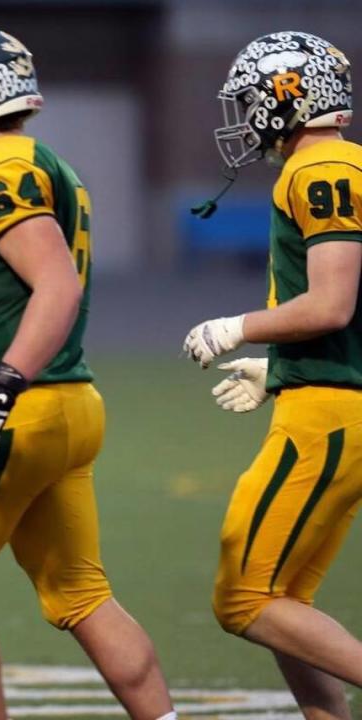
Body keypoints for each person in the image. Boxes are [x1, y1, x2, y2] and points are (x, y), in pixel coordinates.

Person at [0, 27, 176, 720]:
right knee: (83, 594)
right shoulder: (46, 160)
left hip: (17, 406)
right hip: (71, 401)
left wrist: (2, 383)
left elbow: (56, 285)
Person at [183, 31, 362, 719]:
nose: (248, 112)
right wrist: (279, 365)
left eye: (256, 96)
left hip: (329, 418)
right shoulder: (332, 166)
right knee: (282, 599)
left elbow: (332, 302)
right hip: (328, 399)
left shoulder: (322, 169)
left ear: (288, 96)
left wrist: (240, 327)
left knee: (242, 598)